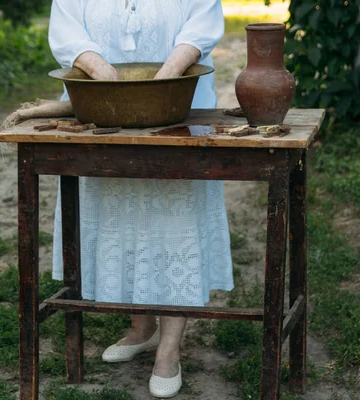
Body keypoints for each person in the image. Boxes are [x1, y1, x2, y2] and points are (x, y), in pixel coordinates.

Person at [49, 1, 233, 397]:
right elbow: (65, 31)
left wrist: (164, 77)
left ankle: (169, 350)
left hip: (179, 107)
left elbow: (201, 24)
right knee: (123, 211)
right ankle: (141, 327)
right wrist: (105, 74)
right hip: (102, 111)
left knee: (174, 221)